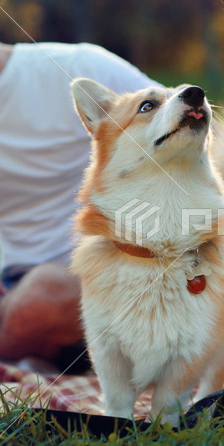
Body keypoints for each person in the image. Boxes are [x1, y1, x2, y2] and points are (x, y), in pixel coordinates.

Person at [0, 42, 161, 367]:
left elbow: (205, 137)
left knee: (41, 297)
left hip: (97, 280)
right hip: (10, 287)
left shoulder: (78, 67)